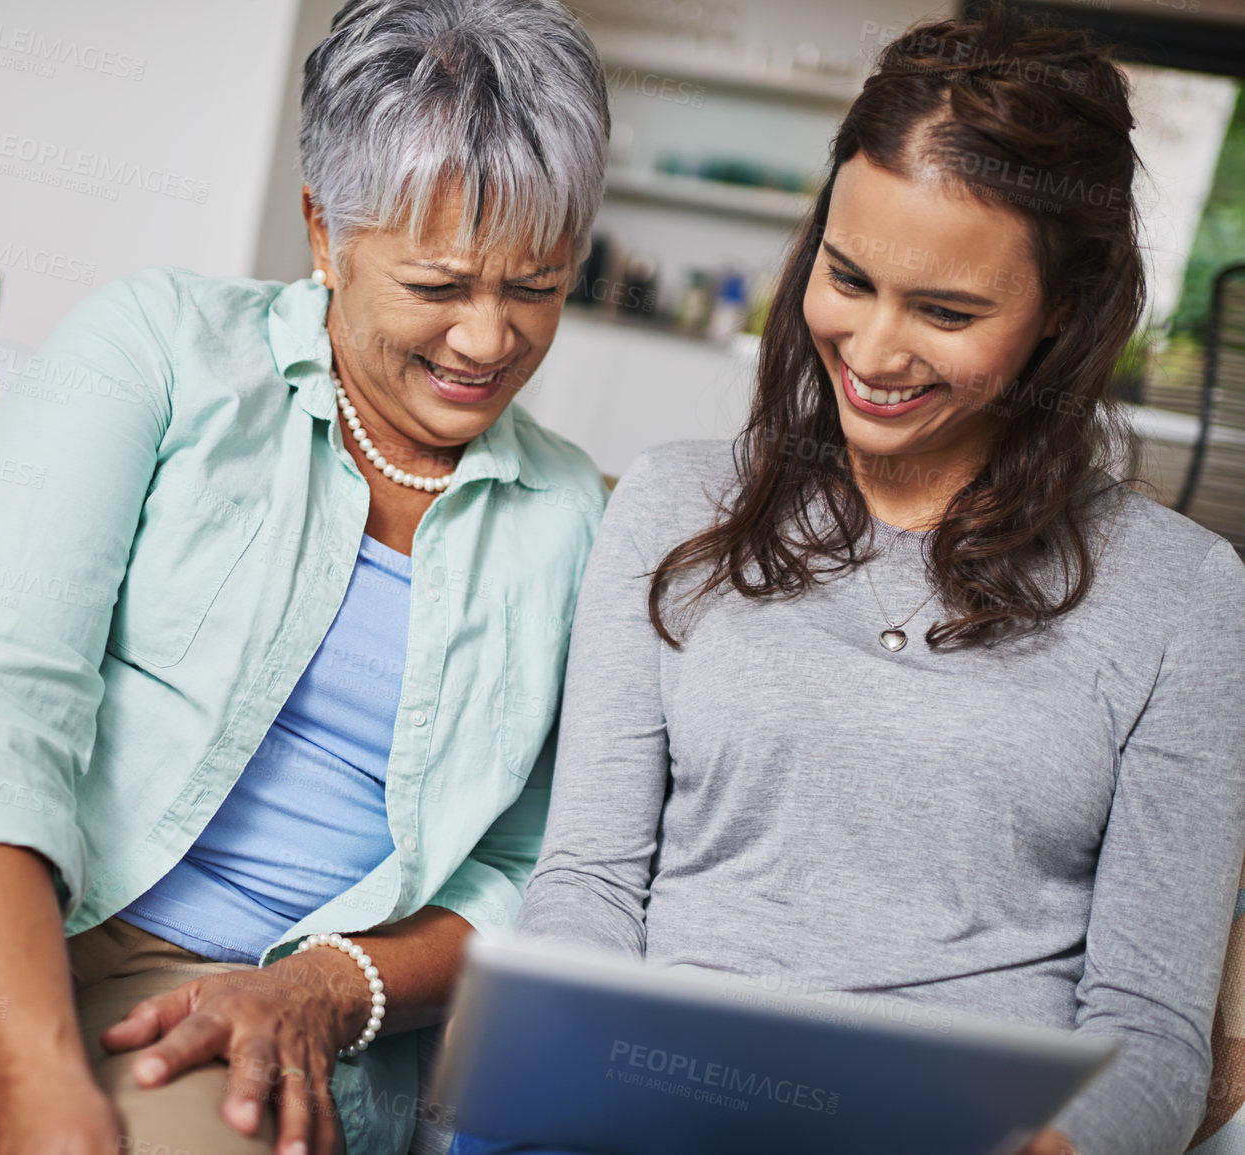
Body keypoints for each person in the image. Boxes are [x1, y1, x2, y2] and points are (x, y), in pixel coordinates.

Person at [0, 3, 613, 1154]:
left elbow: (531, 869)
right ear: (324, 231)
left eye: (537, 287)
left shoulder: (575, 524)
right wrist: (34, 1078)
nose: (486, 340)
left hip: (225, 991)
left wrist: (330, 985)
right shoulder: (160, 350)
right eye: (438, 285)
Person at [453, 8, 1245, 1155]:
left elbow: (1153, 1030)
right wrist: (586, 1080)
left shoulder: (1186, 598)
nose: (872, 352)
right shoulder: (674, 510)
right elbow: (587, 883)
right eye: (848, 277)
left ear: (1060, 316)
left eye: (948, 312)